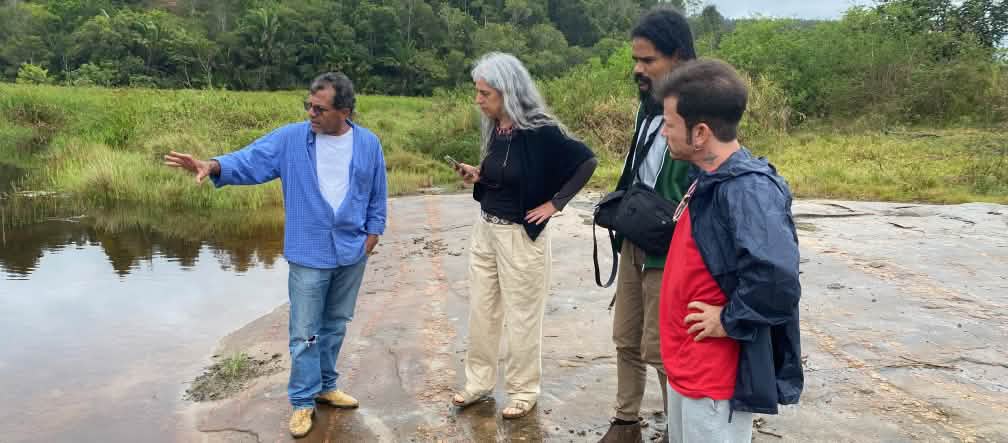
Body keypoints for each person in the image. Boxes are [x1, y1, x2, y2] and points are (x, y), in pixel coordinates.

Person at [163, 72, 387, 439]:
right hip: (308, 252)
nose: (311, 113)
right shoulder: (291, 139)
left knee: (335, 323)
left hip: (351, 251)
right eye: (308, 106)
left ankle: (326, 386)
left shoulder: (368, 144)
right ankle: (302, 401)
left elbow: (377, 192)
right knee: (305, 332)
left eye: (319, 108)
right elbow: (251, 159)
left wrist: (373, 235)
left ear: (344, 111)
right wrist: (213, 165)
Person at [654, 59, 803, 442]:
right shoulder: (709, 178)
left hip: (714, 379)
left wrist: (729, 319)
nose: (664, 132)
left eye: (669, 124)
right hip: (688, 366)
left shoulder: (747, 189)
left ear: (700, 133)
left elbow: (777, 280)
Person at [450, 52, 597, 420]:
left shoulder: (540, 130)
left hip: (520, 236)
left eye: (485, 93)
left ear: (508, 91)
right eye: (477, 92)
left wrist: (555, 204)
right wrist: (478, 174)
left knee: (522, 317)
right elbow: (505, 173)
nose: (478, 100)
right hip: (486, 231)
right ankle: (479, 382)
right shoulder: (496, 128)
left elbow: (586, 161)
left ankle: (523, 390)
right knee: (482, 312)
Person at [598, 7, 695, 443]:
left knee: (662, 347)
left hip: (669, 247)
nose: (638, 69)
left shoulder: (698, 107)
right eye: (635, 59)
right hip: (635, 236)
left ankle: (679, 428)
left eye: (648, 60)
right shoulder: (648, 105)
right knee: (626, 337)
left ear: (678, 57)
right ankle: (625, 420)